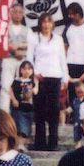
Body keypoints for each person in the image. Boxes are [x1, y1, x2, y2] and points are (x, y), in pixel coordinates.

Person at [30, 13, 68, 151]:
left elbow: (62, 59)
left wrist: (65, 78)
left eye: (49, 22)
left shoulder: (58, 39)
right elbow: (30, 57)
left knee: (54, 111)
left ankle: (53, 143)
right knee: (39, 111)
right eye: (44, 22)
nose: (46, 25)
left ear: (52, 24)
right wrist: (33, 73)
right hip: (40, 78)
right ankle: (39, 142)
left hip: (55, 77)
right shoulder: (35, 38)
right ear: (40, 24)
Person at [0, 2, 30, 112]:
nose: (17, 14)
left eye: (20, 12)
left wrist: (19, 46)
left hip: (22, 62)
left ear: (23, 14)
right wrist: (12, 48)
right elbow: (1, 43)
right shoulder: (5, 28)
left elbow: (31, 44)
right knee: (6, 86)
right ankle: (4, 114)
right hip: (8, 60)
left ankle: (21, 115)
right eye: (15, 12)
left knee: (23, 87)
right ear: (11, 13)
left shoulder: (27, 30)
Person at [62, 3, 84, 90]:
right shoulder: (68, 28)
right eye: (69, 14)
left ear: (78, 14)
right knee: (73, 91)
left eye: (72, 14)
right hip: (71, 63)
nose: (70, 16)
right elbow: (65, 48)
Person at [9, 60, 38, 142]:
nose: (26, 71)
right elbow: (10, 90)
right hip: (18, 108)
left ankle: (22, 144)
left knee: (26, 129)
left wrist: (35, 83)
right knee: (20, 128)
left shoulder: (32, 82)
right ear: (21, 70)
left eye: (29, 69)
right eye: (24, 69)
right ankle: (19, 145)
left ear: (32, 71)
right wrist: (14, 100)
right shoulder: (17, 80)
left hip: (29, 108)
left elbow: (35, 91)